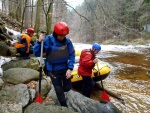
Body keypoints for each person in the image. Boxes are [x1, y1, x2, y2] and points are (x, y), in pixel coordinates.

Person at [34, 21, 75, 107]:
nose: (62, 37)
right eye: (61, 35)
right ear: (55, 33)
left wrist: (70, 68)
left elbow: (72, 54)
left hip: (65, 68)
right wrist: (39, 42)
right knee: (58, 89)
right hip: (53, 70)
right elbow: (37, 53)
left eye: (64, 35)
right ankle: (64, 106)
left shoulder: (67, 42)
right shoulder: (48, 40)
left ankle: (63, 97)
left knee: (67, 87)